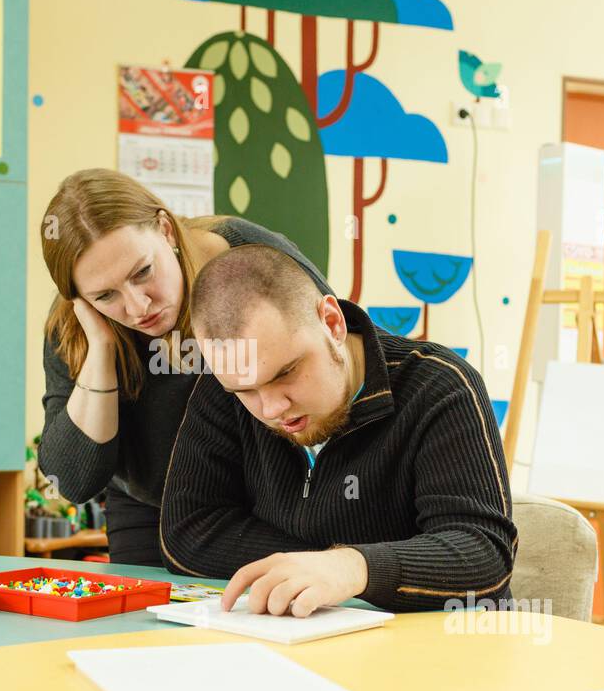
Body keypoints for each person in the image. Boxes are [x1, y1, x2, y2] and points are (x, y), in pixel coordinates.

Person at [159, 244, 517, 615]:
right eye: (245, 390)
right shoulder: (224, 390)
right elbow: (187, 533)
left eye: (286, 372)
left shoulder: (440, 386)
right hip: (299, 642)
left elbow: (483, 555)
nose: (271, 408)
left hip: (437, 652)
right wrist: (314, 566)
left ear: (332, 323)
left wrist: (352, 568)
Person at [37, 169, 332, 565]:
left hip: (267, 500)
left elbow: (338, 360)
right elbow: (73, 481)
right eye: (106, 295)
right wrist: (101, 352)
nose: (138, 307)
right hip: (150, 508)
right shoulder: (73, 326)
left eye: (143, 272)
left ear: (166, 231)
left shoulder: (250, 258)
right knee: (145, 625)